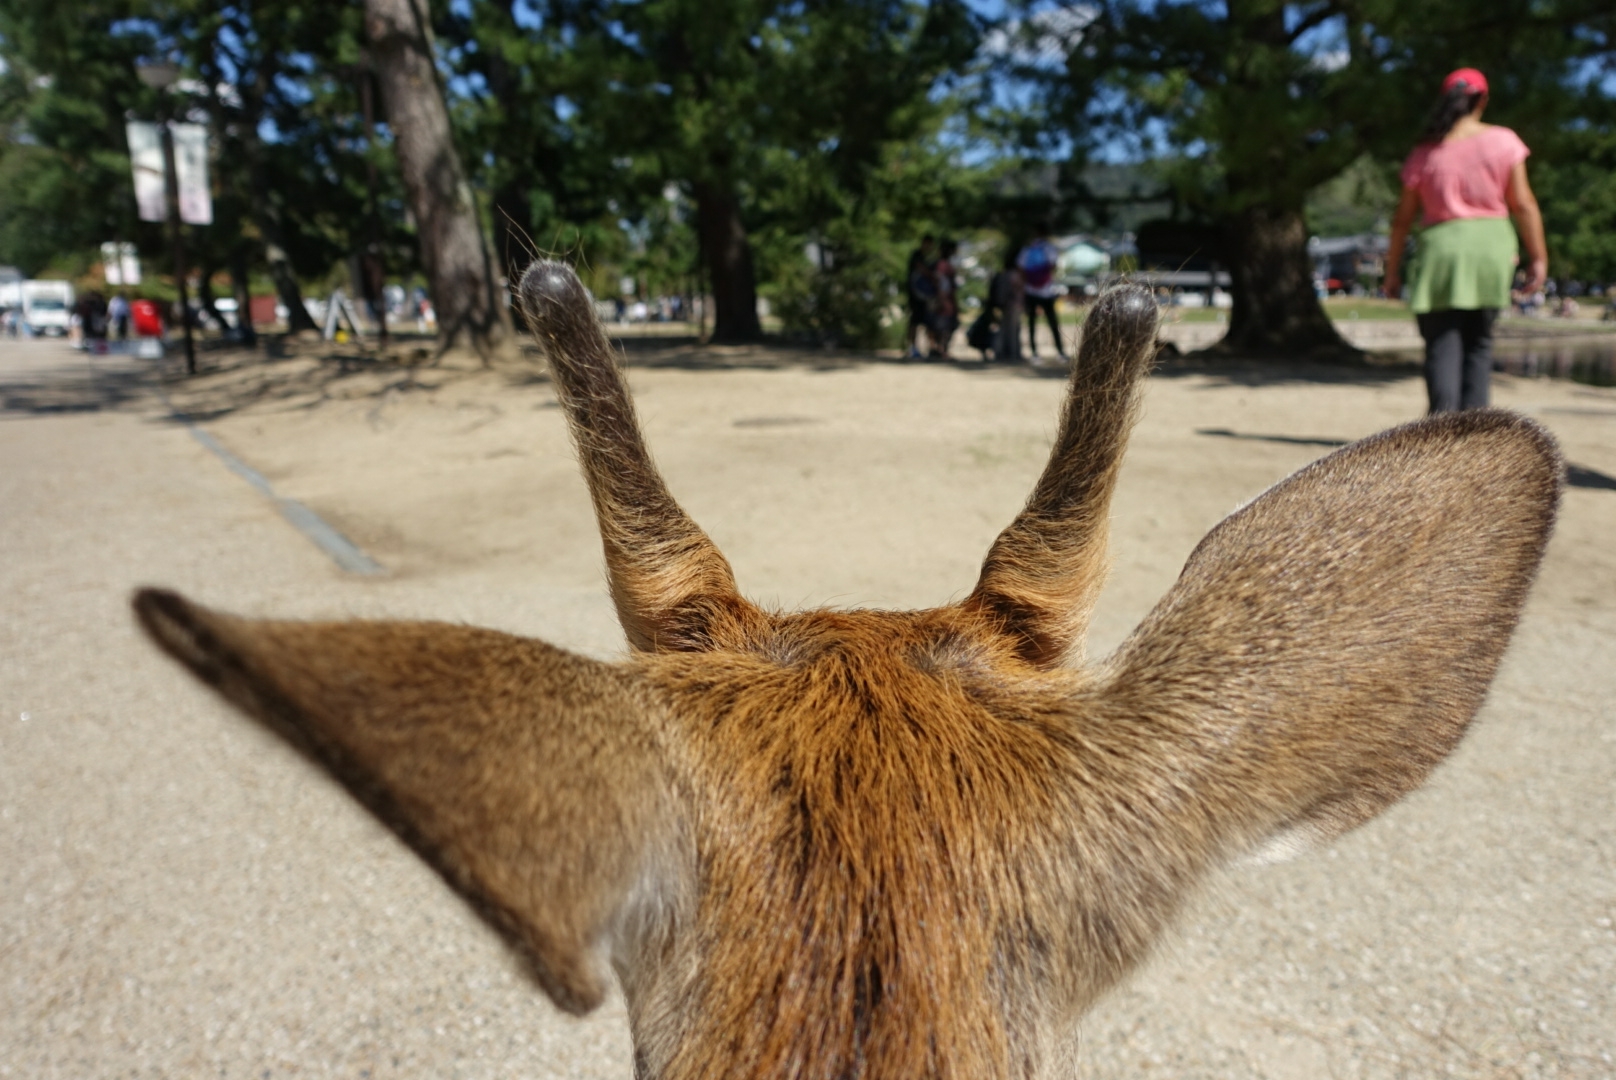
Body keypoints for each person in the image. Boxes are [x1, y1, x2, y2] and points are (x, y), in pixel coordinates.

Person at [1383, 68, 1548, 413]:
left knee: (1442, 344)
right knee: (1478, 345)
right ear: (1482, 100)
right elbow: (1523, 204)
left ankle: (1441, 430)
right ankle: (1475, 442)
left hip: (1440, 251)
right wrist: (1539, 257)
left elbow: (1402, 220)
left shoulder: (1425, 152)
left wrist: (1392, 270)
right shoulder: (1504, 141)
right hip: (1490, 249)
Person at [1018, 223, 1067, 364]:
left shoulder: (1027, 249)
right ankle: (1060, 352)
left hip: (1030, 290)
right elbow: (1053, 266)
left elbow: (1021, 268)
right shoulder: (1049, 248)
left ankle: (1034, 353)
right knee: (1053, 323)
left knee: (1032, 323)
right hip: (1046, 290)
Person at [905, 234, 938, 359]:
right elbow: (921, 270)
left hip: (924, 296)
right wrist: (933, 277)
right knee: (914, 321)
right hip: (915, 294)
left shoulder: (926, 258)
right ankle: (912, 348)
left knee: (927, 321)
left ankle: (930, 347)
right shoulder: (917, 255)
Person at [929, 239, 960, 358]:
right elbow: (940, 282)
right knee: (944, 326)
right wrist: (942, 298)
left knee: (942, 326)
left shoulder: (942, 264)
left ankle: (939, 349)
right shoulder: (943, 265)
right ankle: (940, 349)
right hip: (944, 299)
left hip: (945, 298)